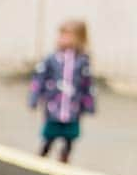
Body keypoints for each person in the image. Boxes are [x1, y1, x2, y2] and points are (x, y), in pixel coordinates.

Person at [29, 19, 94, 164]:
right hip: (54, 107)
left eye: (68, 35)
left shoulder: (82, 61)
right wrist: (34, 98)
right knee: (49, 135)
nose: (63, 39)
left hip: (73, 109)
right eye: (61, 35)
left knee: (69, 138)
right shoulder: (52, 59)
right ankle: (40, 159)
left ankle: (64, 160)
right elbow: (39, 79)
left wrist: (89, 105)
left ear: (79, 38)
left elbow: (87, 85)